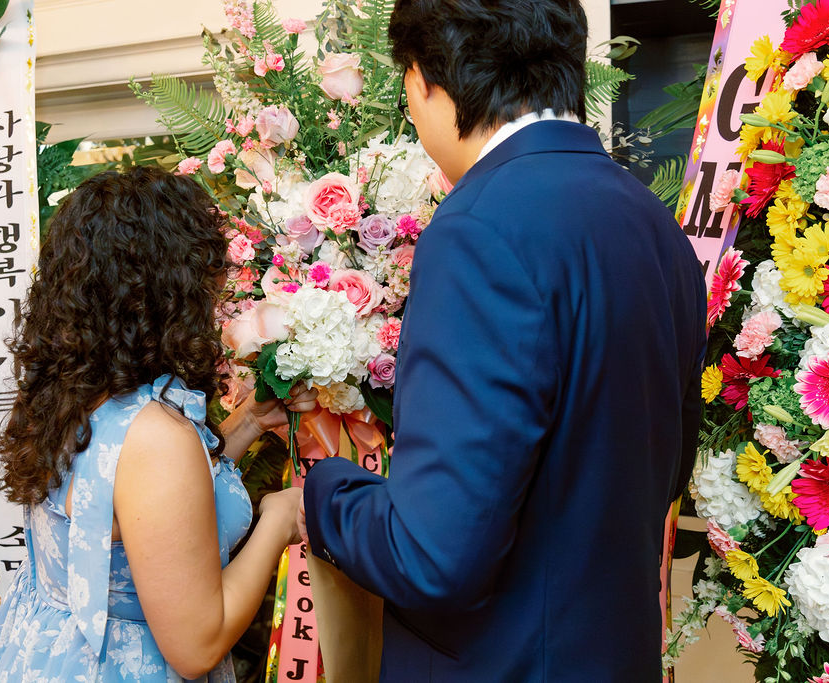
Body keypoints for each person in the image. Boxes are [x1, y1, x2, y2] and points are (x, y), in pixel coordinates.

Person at [298, 1, 707, 681]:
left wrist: (325, 493)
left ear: (424, 78)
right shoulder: (653, 222)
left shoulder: (479, 229)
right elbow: (666, 468)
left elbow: (433, 555)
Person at [0, 167, 315, 682]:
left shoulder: (68, 392)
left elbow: (137, 505)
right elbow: (197, 645)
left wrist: (246, 424)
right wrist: (278, 520)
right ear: (169, 290)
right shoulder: (155, 436)